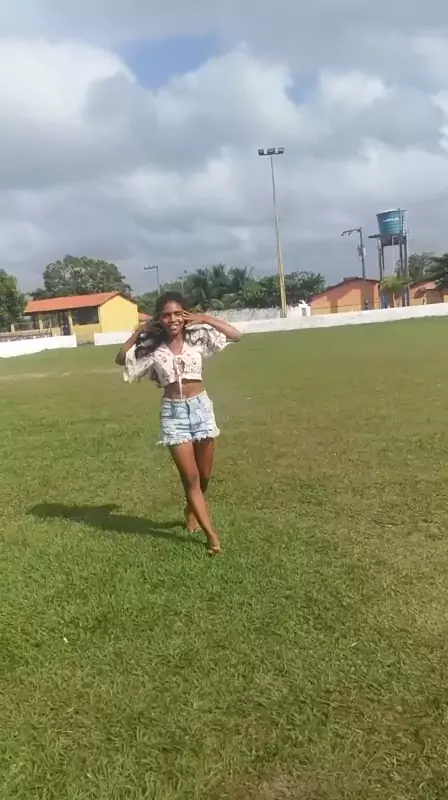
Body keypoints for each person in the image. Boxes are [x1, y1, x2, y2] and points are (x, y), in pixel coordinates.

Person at [115, 292, 242, 556]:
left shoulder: (197, 338)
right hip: (173, 415)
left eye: (177, 314)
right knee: (191, 478)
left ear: (184, 315)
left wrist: (203, 318)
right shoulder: (152, 347)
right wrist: (139, 332)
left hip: (201, 410)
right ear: (159, 319)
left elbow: (236, 335)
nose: (172, 319)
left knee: (204, 477)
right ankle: (212, 537)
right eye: (166, 315)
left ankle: (190, 509)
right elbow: (121, 358)